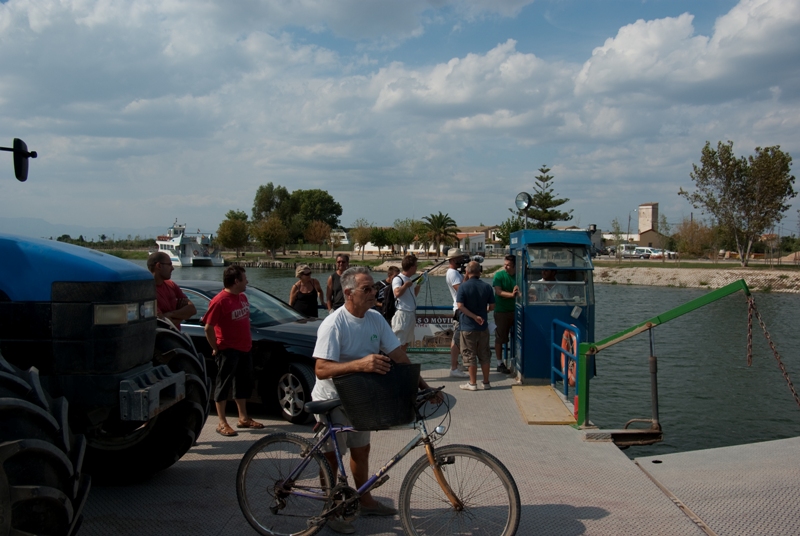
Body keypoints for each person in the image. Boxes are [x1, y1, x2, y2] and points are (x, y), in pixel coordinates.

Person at [311, 266, 437, 534]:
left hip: (360, 398)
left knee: (361, 449)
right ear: (348, 293)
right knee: (332, 458)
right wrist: (362, 364)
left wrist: (424, 387)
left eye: (374, 288)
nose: (374, 292)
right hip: (332, 399)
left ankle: (365, 500)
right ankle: (330, 509)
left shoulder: (376, 319)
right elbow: (321, 369)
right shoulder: (334, 323)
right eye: (366, 289)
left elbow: (399, 356)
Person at [202, 265, 263, 437]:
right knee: (223, 384)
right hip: (228, 349)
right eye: (244, 278)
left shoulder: (242, 297)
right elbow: (208, 327)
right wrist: (216, 347)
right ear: (236, 281)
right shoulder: (220, 301)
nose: (247, 281)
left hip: (245, 348)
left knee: (243, 383)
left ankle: (243, 417)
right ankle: (222, 422)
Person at [456, 261, 495, 391]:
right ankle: (486, 382)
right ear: (480, 272)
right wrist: (483, 313)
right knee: (484, 354)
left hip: (467, 326)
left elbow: (460, 306)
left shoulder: (463, 287)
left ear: (467, 272)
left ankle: (472, 383)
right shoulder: (487, 287)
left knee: (469, 354)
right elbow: (492, 306)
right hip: (483, 326)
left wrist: (473, 316)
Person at [147, 251, 196, 330]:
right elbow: (162, 322)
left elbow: (192, 309)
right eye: (169, 264)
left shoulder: (171, 284)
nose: (172, 268)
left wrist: (170, 314)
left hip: (176, 336)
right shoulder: (147, 291)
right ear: (159, 266)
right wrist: (181, 314)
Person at [492, 255, 519, 374]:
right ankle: (499, 363)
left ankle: (517, 359)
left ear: (514, 265)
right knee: (500, 338)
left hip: (517, 311)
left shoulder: (520, 276)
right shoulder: (499, 275)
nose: (505, 267)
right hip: (501, 311)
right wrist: (512, 295)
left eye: (508, 265)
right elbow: (498, 291)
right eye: (505, 264)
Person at [445, 249, 469, 378]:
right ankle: (454, 368)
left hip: (461, 308)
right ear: (453, 260)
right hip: (459, 310)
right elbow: (461, 291)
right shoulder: (452, 273)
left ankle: (456, 365)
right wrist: (467, 275)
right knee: (456, 339)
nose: (461, 260)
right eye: (459, 258)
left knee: (459, 338)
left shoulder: (455, 273)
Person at [391, 255, 422, 352]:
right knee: (399, 340)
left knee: (407, 341)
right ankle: (396, 363)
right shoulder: (398, 279)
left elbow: (413, 295)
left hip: (411, 313)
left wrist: (419, 284)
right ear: (412, 267)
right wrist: (405, 285)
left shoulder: (409, 279)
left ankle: (402, 362)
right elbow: (397, 293)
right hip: (402, 313)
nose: (417, 268)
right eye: (416, 266)